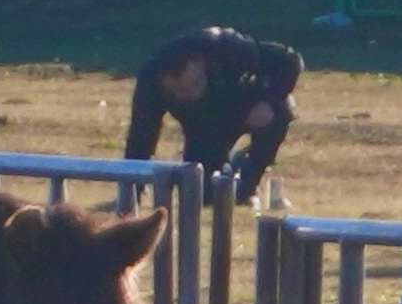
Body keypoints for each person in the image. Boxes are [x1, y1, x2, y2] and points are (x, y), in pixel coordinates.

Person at [120, 24, 304, 198]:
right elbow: (141, 136)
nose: (190, 95)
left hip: (243, 106)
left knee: (279, 111)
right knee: (204, 195)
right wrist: (131, 193)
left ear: (201, 62)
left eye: (195, 85)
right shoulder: (150, 82)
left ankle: (249, 179)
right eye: (180, 92)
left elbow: (289, 60)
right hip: (201, 127)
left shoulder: (225, 46)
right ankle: (226, 172)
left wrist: (269, 100)